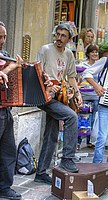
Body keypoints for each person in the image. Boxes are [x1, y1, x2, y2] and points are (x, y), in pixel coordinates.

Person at [34, 23, 83, 185]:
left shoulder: (69, 54)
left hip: (59, 96)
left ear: (69, 39)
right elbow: (36, 72)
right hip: (44, 96)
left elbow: (70, 76)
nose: (59, 38)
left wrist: (78, 94)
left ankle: (41, 172)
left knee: (51, 134)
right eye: (58, 34)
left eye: (64, 36)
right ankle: (67, 159)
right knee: (71, 117)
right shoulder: (45, 50)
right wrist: (48, 84)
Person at [0, 21, 22, 200]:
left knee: (8, 151)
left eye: (4, 36)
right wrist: (10, 68)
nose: (2, 40)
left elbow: (11, 77)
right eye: (0, 36)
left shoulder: (5, 55)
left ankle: (4, 188)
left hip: (5, 110)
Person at [77, 44, 99, 149]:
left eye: (96, 52)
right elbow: (79, 79)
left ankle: (90, 141)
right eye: (92, 52)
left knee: (93, 119)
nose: (95, 54)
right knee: (83, 118)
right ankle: (78, 141)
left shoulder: (100, 65)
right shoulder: (82, 65)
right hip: (84, 95)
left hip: (95, 96)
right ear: (88, 54)